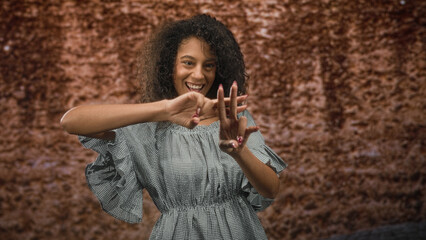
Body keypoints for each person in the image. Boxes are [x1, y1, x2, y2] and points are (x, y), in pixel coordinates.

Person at [61, 14, 287, 240]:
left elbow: (271, 190)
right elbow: (71, 122)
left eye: (208, 65)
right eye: (188, 62)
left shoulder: (232, 119)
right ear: (169, 65)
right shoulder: (146, 129)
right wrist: (165, 110)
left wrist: (239, 153)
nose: (199, 75)